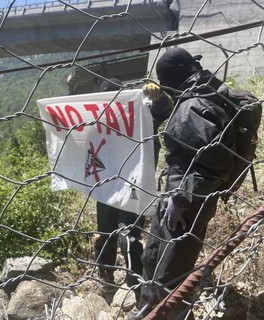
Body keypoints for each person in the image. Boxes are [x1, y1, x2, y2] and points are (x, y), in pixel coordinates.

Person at [131, 47, 237, 319]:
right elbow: (183, 127)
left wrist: (180, 199)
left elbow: (216, 165)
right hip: (182, 197)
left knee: (170, 269)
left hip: (187, 203)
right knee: (153, 257)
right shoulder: (201, 92)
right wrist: (161, 102)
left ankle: (168, 314)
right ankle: (150, 310)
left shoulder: (193, 106)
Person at [94, 77, 173, 300]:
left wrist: (160, 97)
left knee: (128, 234)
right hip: (106, 188)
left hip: (133, 185)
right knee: (106, 233)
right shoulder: (96, 122)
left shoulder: (138, 116)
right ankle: (106, 276)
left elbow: (162, 111)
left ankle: (136, 282)